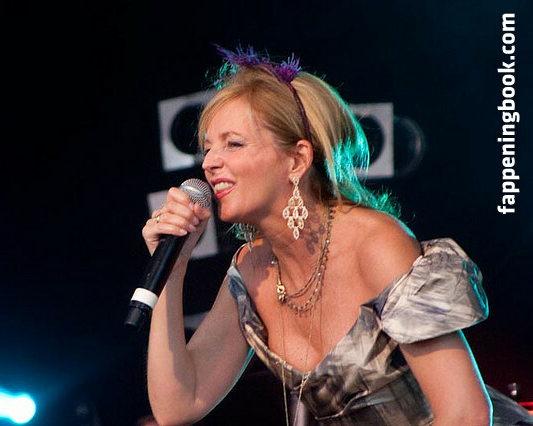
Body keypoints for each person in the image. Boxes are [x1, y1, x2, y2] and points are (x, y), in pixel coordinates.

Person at [141, 45, 533, 425]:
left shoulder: (375, 244)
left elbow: (466, 414)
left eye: (233, 144)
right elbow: (178, 405)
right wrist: (172, 269)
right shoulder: (252, 269)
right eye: (208, 148)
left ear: (297, 160)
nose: (210, 163)